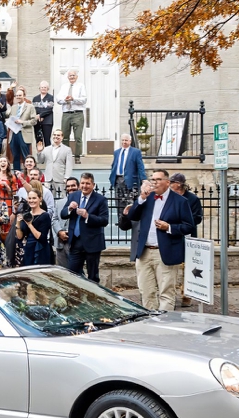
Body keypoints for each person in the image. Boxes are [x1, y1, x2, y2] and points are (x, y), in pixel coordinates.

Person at [122, 169, 196, 311]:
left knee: (166, 293)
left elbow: (188, 226)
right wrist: (141, 198)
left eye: (158, 179)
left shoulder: (180, 201)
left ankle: (165, 326)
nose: (154, 182)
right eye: (153, 179)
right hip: (144, 253)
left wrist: (169, 227)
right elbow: (132, 216)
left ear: (167, 183)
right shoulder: (147, 198)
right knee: (146, 292)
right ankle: (150, 324)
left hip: (165, 253)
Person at [60, 172, 109, 284]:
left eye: (87, 183)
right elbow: (63, 214)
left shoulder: (100, 200)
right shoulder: (73, 196)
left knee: (93, 277)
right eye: (82, 183)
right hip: (76, 242)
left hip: (92, 243)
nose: (84, 186)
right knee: (72, 275)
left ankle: (93, 299)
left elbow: (104, 220)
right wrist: (69, 208)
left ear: (93, 185)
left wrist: (88, 216)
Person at [15, 185, 53, 266]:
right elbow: (19, 237)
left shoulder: (45, 215)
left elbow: (41, 237)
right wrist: (18, 223)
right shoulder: (26, 214)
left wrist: (29, 224)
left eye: (34, 198)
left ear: (40, 199)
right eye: (30, 198)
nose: (32, 201)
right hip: (28, 249)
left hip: (40, 250)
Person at [109, 133, 148, 209]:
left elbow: (140, 166)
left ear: (130, 141)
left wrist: (143, 179)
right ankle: (121, 220)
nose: (124, 142)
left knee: (130, 203)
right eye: (122, 140)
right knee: (119, 203)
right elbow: (114, 165)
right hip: (117, 179)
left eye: (126, 140)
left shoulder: (135, 152)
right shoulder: (117, 152)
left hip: (129, 181)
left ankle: (131, 220)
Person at [57, 70, 88, 161]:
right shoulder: (64, 87)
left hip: (77, 113)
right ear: (68, 77)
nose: (72, 77)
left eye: (73, 75)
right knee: (65, 136)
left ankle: (77, 156)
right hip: (66, 113)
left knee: (78, 136)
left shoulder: (81, 86)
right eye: (70, 76)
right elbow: (58, 99)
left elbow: (84, 99)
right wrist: (65, 100)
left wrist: (73, 99)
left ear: (77, 76)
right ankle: (66, 157)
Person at [7, 87, 38, 169]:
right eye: (16, 95)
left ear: (24, 95)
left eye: (20, 95)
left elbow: (34, 121)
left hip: (24, 133)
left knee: (26, 156)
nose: (18, 97)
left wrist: (23, 122)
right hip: (14, 133)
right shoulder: (13, 107)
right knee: (15, 156)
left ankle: (28, 174)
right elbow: (9, 116)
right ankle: (17, 175)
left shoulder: (30, 106)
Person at [37, 129, 75, 195]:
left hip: (60, 179)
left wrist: (66, 177)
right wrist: (39, 152)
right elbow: (40, 161)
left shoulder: (67, 149)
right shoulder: (47, 149)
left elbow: (69, 165)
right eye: (54, 135)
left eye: (58, 135)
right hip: (48, 179)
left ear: (62, 137)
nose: (56, 136)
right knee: (49, 198)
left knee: (61, 197)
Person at [55, 176, 79, 268]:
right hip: (61, 242)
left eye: (73, 185)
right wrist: (59, 232)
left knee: (76, 272)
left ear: (78, 186)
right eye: (68, 186)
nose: (70, 188)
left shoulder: (83, 201)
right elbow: (55, 219)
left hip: (75, 243)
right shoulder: (60, 202)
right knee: (63, 272)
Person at [32, 81, 55, 149]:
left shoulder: (51, 97)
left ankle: (48, 156)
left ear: (48, 88)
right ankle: (40, 155)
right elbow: (34, 109)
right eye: (42, 87)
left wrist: (41, 115)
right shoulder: (35, 98)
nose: (43, 88)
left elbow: (49, 109)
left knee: (47, 139)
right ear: (39, 88)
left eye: (45, 87)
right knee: (38, 139)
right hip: (37, 121)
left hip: (47, 121)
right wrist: (37, 116)